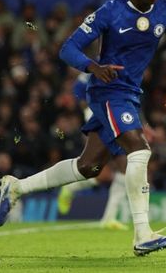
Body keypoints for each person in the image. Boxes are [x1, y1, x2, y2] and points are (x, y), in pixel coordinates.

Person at [0, 0, 166, 256]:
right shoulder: (111, 12)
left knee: (88, 166)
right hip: (107, 91)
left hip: (129, 93)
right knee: (140, 150)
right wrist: (92, 66)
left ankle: (16, 188)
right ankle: (142, 234)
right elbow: (68, 48)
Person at [57, 72, 128, 231]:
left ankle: (109, 217)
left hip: (115, 119)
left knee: (117, 169)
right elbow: (80, 94)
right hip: (100, 120)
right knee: (99, 170)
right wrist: (93, 118)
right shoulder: (93, 69)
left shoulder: (120, 65)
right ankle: (70, 188)